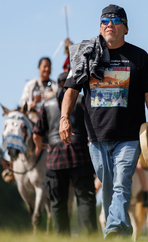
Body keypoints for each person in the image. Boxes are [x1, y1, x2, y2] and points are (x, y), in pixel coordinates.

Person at [59, 4, 148, 238]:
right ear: (99, 27)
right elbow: (71, 91)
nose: (110, 25)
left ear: (125, 28)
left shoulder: (140, 56)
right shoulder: (87, 54)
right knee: (108, 188)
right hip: (96, 137)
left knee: (121, 182)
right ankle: (120, 231)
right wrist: (64, 118)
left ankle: (113, 228)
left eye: (116, 21)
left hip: (130, 136)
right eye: (105, 21)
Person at [33, 72, 97, 235]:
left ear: (58, 84)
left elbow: (36, 134)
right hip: (80, 155)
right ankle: (88, 238)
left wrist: (41, 146)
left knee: (57, 203)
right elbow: (92, 127)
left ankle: (61, 238)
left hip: (55, 157)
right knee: (85, 200)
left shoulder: (46, 105)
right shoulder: (83, 100)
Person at [20, 57, 58, 123]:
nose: (47, 69)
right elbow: (23, 102)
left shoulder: (55, 86)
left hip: (51, 122)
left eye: (49, 67)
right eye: (45, 66)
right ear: (39, 68)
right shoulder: (31, 84)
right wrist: (30, 105)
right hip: (33, 121)